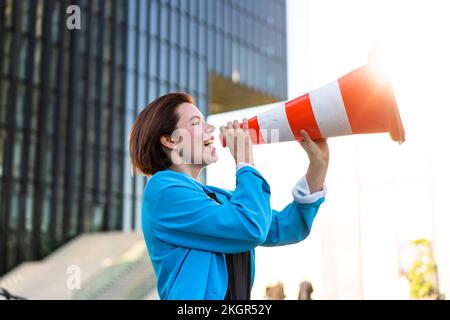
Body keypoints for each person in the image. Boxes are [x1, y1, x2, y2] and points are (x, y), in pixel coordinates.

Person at [129, 93, 329, 300]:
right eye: (196, 123)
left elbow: (286, 227)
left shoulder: (217, 198)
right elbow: (250, 226)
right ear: (170, 140)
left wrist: (318, 165)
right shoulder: (162, 191)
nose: (210, 129)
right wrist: (245, 162)